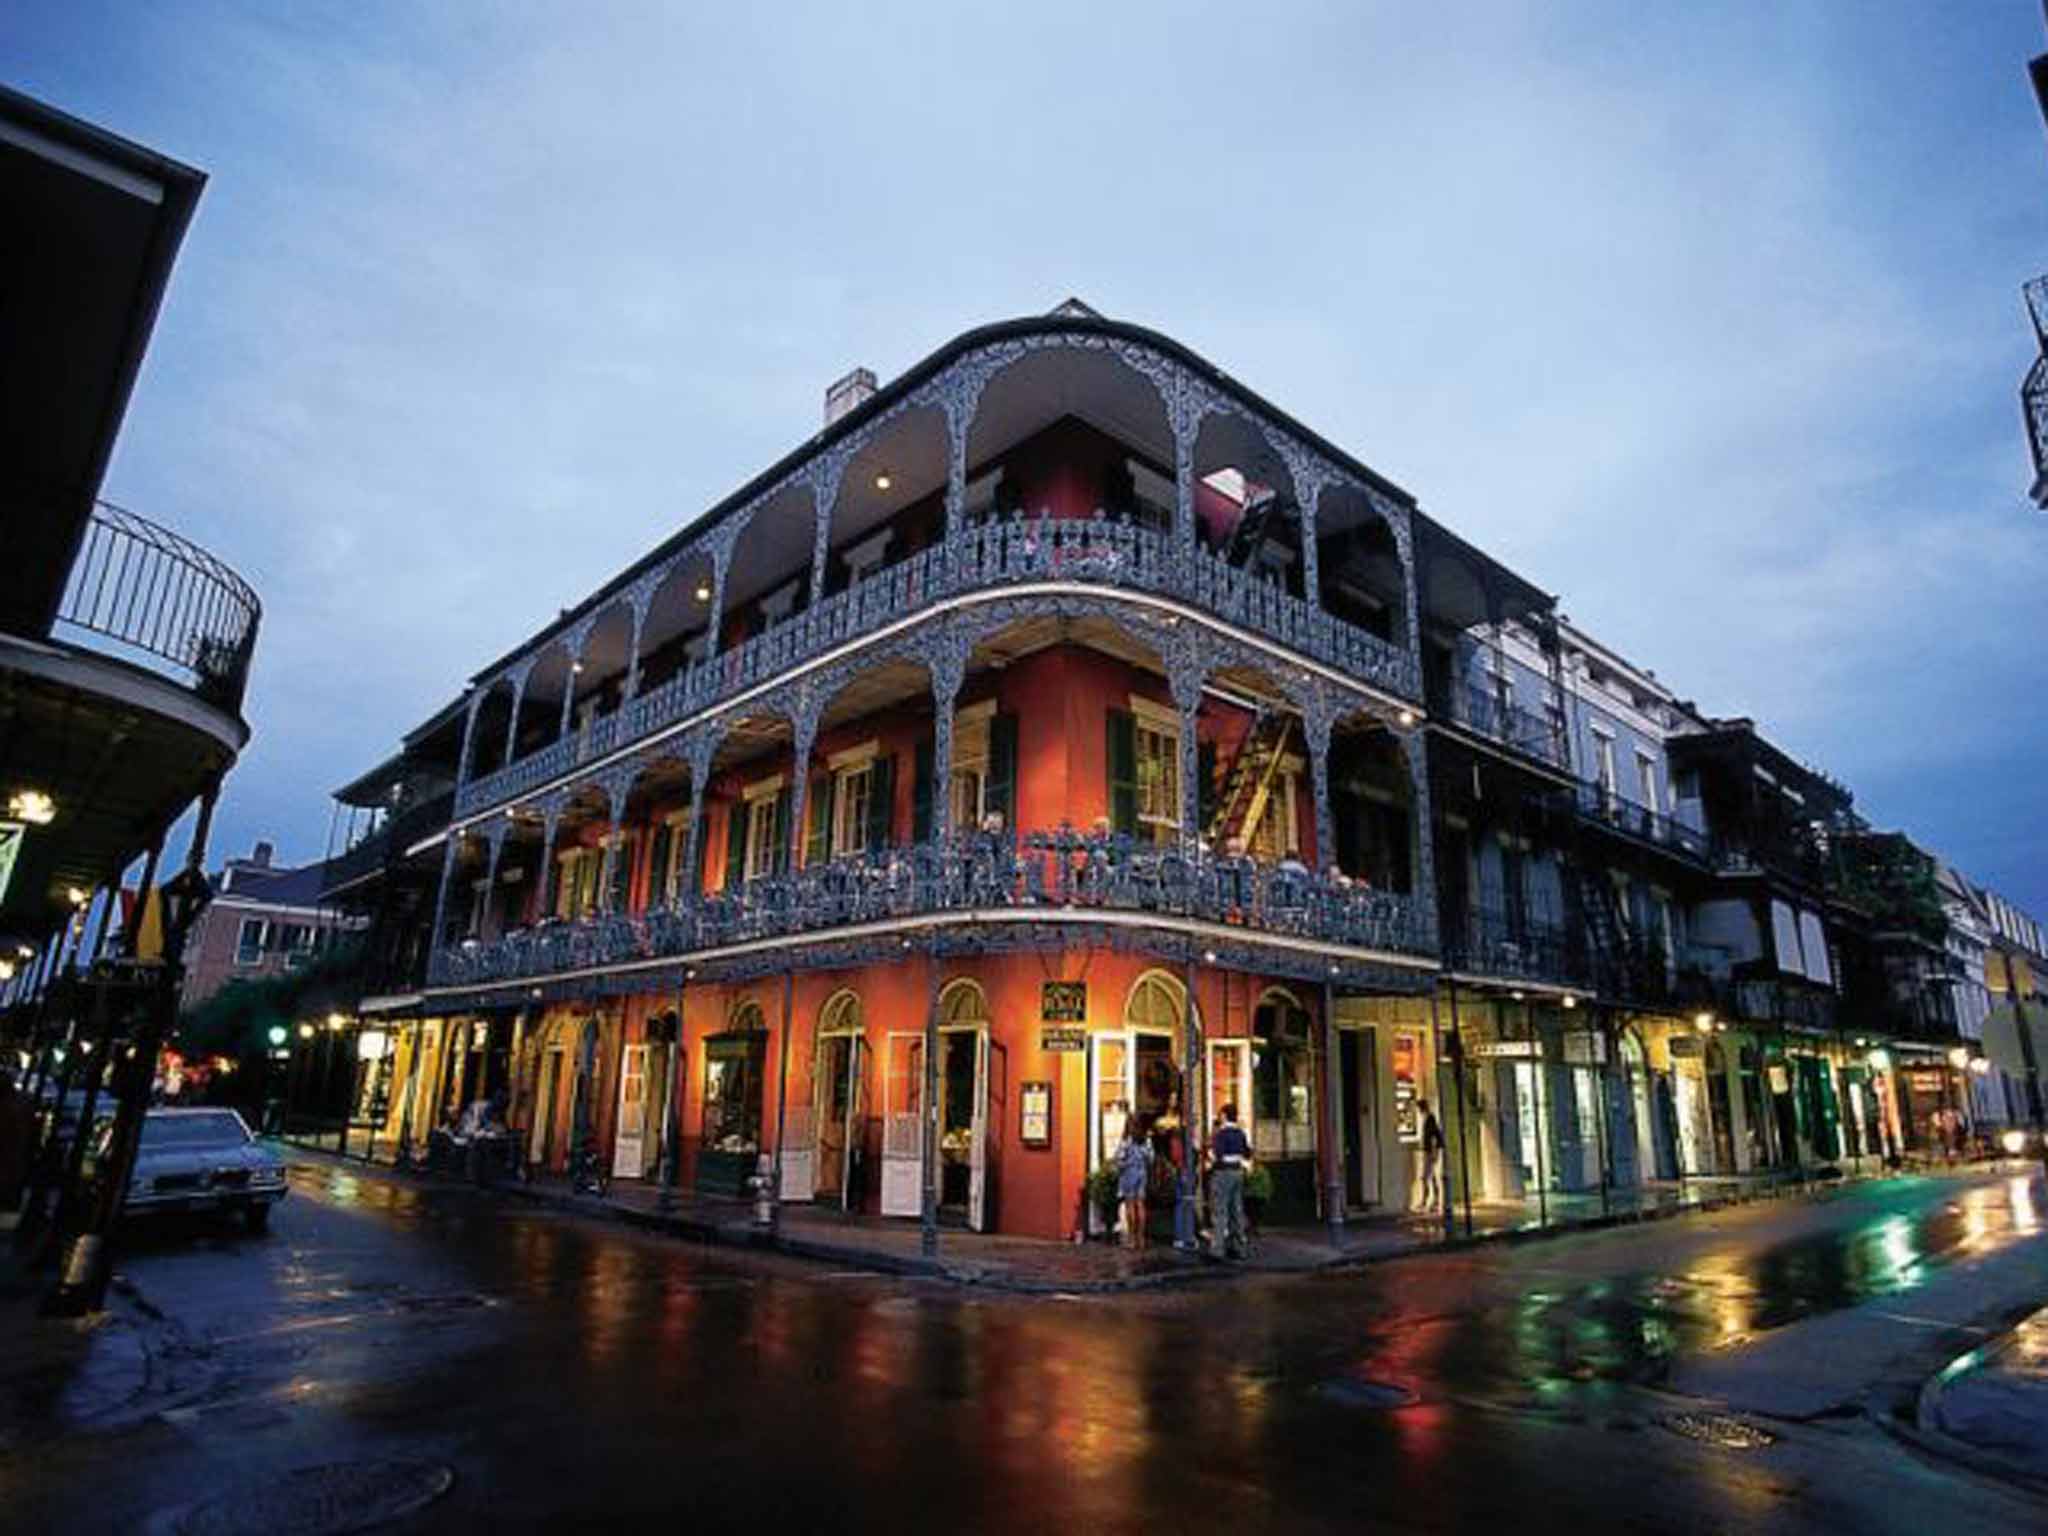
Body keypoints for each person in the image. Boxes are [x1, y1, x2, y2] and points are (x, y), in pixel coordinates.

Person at [1208, 1101, 1253, 1260]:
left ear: (1225, 1116)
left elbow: (1215, 1155)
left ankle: (1217, 1248)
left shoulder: (1221, 1134)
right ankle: (1239, 1247)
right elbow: (1248, 1153)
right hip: (1238, 1171)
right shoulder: (1241, 1133)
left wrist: (1211, 1158)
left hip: (1223, 1172)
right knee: (1237, 1209)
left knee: (1220, 1210)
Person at [1114, 1121, 1153, 1251]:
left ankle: (1132, 1239)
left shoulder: (1127, 1141)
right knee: (1140, 1204)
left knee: (1130, 1205)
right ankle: (1141, 1238)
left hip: (1129, 1173)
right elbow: (1150, 1158)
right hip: (1142, 1173)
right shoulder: (1145, 1141)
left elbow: (1119, 1159)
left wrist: (1122, 1165)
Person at [1418, 1098, 1445, 1213]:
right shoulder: (1428, 1118)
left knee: (1426, 1177)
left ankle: (1428, 1200)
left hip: (1430, 1152)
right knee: (1430, 1176)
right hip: (1429, 1151)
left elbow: (1434, 1136)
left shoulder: (1430, 1118)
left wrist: (1434, 1153)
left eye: (1419, 1108)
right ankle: (1433, 1200)